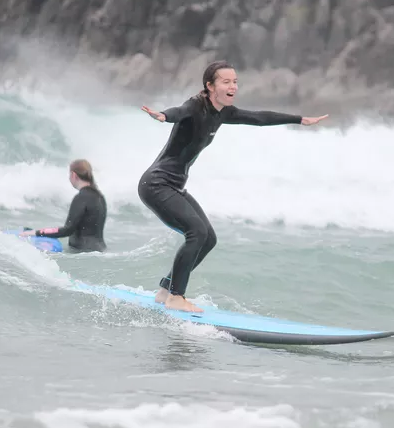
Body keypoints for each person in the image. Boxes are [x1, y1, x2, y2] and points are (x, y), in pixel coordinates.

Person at [138, 60, 328, 312]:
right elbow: (179, 111)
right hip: (156, 184)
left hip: (174, 186)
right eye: (226, 82)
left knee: (208, 238)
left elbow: (258, 117)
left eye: (235, 81)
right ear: (210, 86)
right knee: (196, 233)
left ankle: (165, 290)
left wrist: (299, 119)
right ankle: (176, 296)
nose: (233, 86)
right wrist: (163, 116)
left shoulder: (223, 113)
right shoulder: (196, 106)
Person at [21, 159, 107, 252]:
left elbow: (67, 230)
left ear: (73, 175)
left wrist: (36, 233)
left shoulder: (81, 198)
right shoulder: (100, 197)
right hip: (100, 250)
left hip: (82, 251)